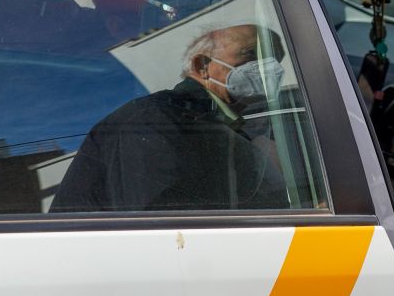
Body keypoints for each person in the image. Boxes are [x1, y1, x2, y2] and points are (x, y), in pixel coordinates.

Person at [52, 24, 288, 212]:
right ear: (202, 66)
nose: (269, 67)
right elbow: (161, 223)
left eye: (275, 58)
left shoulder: (227, 126)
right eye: (251, 53)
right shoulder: (155, 120)